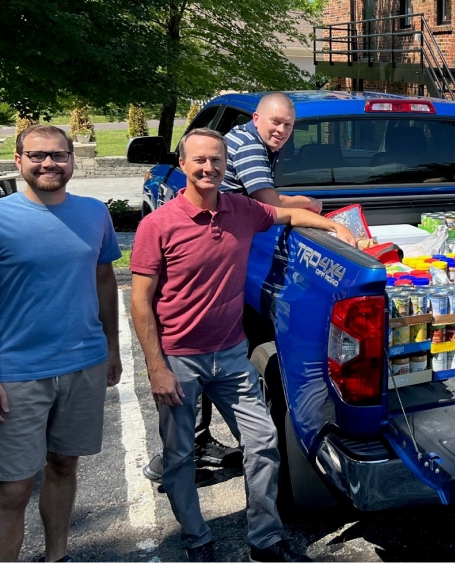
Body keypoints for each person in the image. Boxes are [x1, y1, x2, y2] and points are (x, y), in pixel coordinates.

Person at [130, 129, 353, 562]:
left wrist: (333, 225)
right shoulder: (157, 224)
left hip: (231, 354)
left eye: (216, 160)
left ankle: (264, 539)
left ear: (225, 165)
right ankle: (197, 539)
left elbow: (286, 216)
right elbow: (140, 301)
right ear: (182, 166)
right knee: (179, 457)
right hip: (179, 360)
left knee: (263, 441)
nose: (208, 167)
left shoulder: (242, 209)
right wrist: (156, 368)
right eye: (198, 160)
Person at [0, 125, 122, 562]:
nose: (49, 163)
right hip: (16, 371)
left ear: (72, 159)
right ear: (18, 160)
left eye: (58, 155)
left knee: (64, 465)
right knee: (12, 488)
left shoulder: (94, 213)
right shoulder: (2, 217)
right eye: (37, 155)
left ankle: (57, 555)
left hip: (83, 363)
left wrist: (112, 347)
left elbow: (104, 278)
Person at [221, 91, 323, 213]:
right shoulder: (249, 146)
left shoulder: (242, 134)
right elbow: (271, 203)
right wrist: (310, 202)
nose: (281, 130)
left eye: (288, 125)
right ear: (256, 118)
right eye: (276, 121)